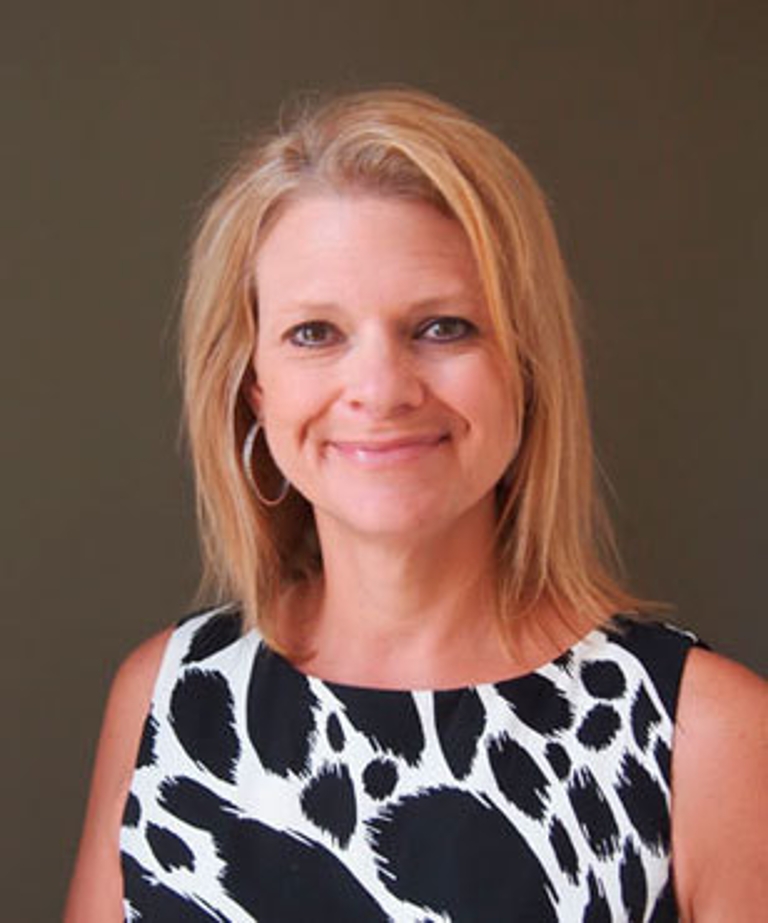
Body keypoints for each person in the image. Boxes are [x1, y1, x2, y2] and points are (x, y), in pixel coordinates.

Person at [65, 88, 767, 922]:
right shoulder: (165, 697)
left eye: (442, 327)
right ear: (254, 385)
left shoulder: (709, 735)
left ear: (527, 363)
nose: (381, 390)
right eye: (315, 333)